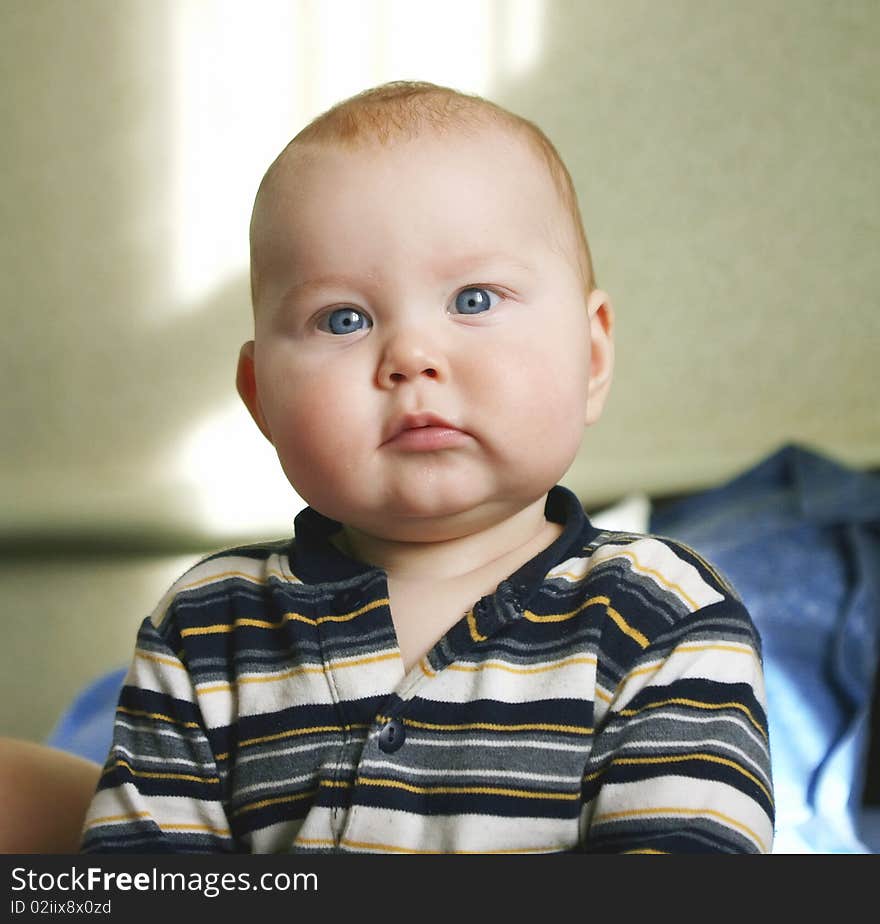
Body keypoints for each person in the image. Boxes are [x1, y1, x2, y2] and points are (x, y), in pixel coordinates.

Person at [79, 80, 774, 853]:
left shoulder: (659, 614)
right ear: (259, 399)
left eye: (474, 299)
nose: (411, 356)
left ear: (594, 355)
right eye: (343, 318)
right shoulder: (208, 628)